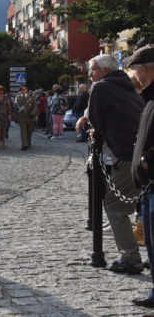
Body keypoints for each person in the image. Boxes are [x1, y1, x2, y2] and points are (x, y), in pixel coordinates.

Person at [87, 54, 144, 274]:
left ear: (105, 70)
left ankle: (130, 257)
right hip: (140, 153)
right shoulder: (128, 86)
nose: (90, 74)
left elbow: (96, 120)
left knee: (114, 206)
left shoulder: (101, 87)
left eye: (93, 69)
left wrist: (98, 133)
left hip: (125, 154)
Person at [126, 47, 154, 307]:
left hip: (152, 179)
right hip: (147, 185)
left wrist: (149, 159)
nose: (134, 75)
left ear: (143, 69)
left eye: (135, 70)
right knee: (151, 243)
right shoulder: (148, 98)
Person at [15, 86, 38, 150]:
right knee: (23, 131)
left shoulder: (31, 97)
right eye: (21, 89)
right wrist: (15, 117)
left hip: (30, 117)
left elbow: (35, 106)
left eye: (24, 89)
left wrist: (33, 113)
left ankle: (28, 143)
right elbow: (15, 107)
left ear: (27, 90)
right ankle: (24, 145)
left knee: (29, 131)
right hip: (21, 117)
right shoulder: (17, 97)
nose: (22, 90)